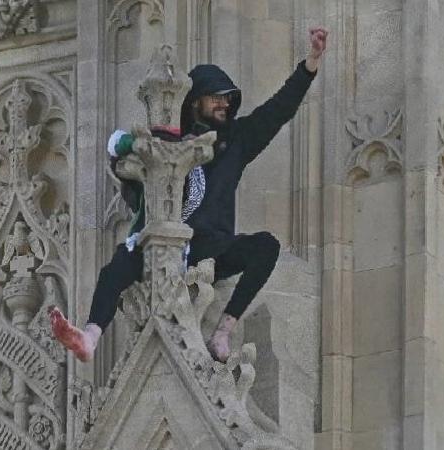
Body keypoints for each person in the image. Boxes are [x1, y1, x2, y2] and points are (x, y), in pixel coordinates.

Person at [51, 27, 328, 363]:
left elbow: (278, 110)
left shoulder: (235, 141)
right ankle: (90, 337)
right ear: (196, 100)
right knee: (116, 269)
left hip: (211, 248)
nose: (225, 104)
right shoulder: (167, 142)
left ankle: (222, 332)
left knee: (265, 247)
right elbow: (127, 167)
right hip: (162, 243)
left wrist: (310, 64)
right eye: (217, 97)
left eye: (228, 98)